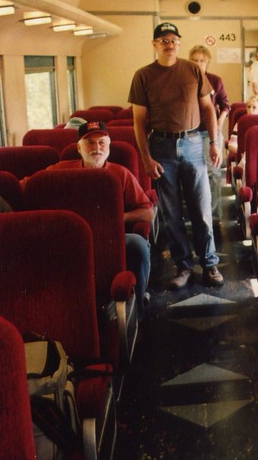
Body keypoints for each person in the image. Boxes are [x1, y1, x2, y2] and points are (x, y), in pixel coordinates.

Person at [128, 22, 224, 289]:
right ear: (155, 44)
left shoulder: (193, 69)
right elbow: (138, 122)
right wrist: (146, 158)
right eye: (164, 40)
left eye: (173, 40)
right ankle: (183, 266)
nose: (169, 44)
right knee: (171, 215)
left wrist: (214, 142)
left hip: (193, 142)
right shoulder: (143, 75)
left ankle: (209, 263)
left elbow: (208, 109)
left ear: (179, 44)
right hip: (161, 146)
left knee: (202, 210)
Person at [47, 121, 154, 307]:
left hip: (110, 238)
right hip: (69, 238)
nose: (97, 148)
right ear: (79, 148)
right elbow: (29, 186)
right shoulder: (60, 170)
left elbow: (148, 213)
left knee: (138, 245)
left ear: (109, 146)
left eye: (102, 142)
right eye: (90, 143)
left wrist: (119, 219)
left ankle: (137, 304)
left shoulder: (121, 174)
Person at [189, 45, 231, 222]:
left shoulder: (215, 80)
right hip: (190, 134)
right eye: (195, 61)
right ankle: (197, 213)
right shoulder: (185, 81)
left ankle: (213, 215)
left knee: (213, 173)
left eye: (202, 61)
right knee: (194, 174)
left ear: (207, 63)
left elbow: (225, 105)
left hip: (210, 133)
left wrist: (220, 122)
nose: (199, 64)